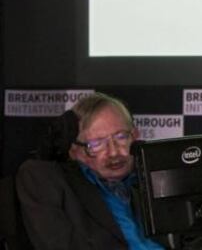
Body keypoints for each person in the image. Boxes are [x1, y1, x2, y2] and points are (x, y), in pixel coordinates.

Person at [15, 92, 164, 250]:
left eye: (121, 137)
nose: (113, 152)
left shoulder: (153, 179)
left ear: (135, 136)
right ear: (74, 151)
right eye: (96, 144)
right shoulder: (45, 179)